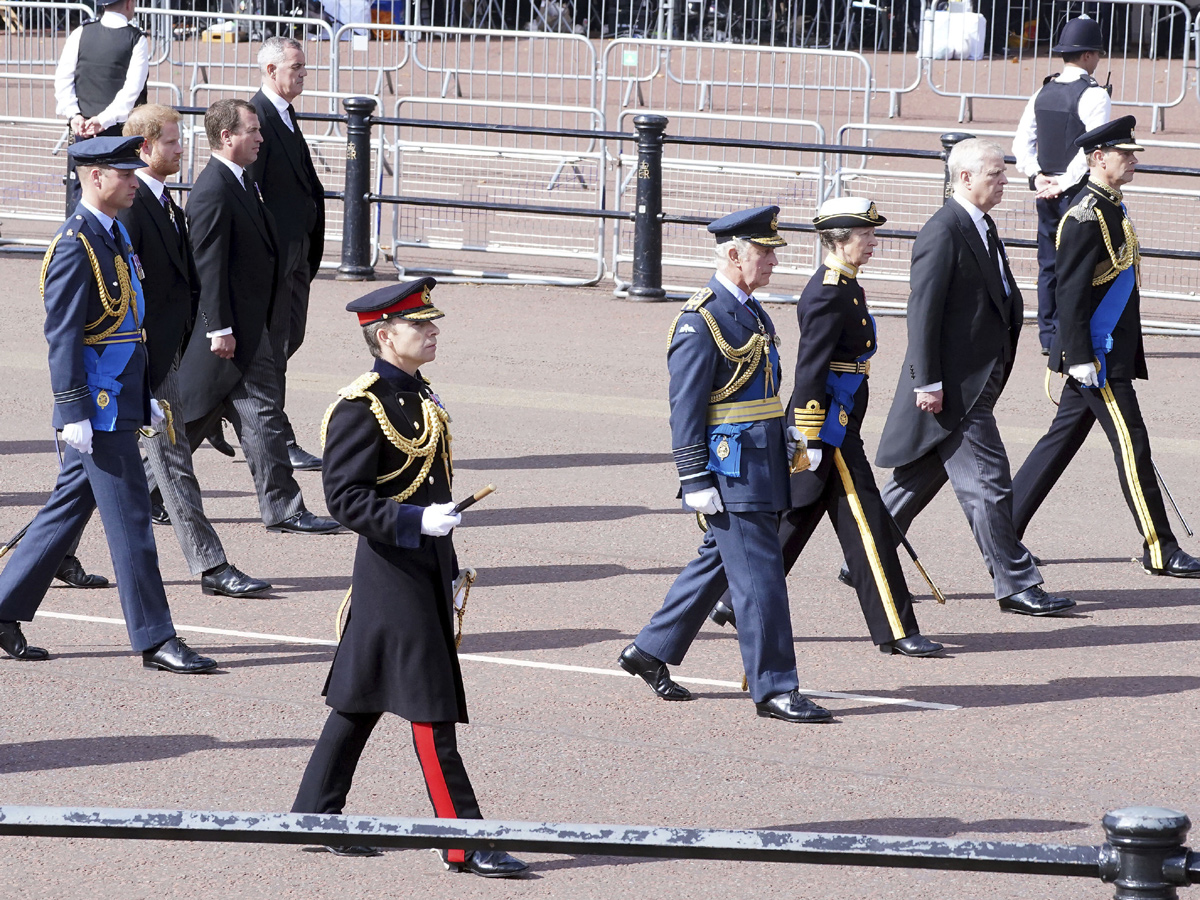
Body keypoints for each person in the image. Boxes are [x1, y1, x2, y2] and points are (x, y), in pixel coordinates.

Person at [291, 278, 529, 878]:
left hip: (420, 564)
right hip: (390, 569)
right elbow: (344, 498)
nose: (432, 331)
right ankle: (463, 841)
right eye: (419, 325)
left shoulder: (421, 395)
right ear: (384, 334)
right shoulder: (358, 405)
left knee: (359, 697)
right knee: (431, 708)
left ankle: (312, 816)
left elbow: (434, 482)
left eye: (431, 322)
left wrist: (443, 558)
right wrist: (415, 518)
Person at [0, 136, 217, 673]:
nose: (133, 181)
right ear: (95, 177)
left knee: (65, 511)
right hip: (95, 409)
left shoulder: (113, 234)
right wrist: (73, 411)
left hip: (118, 398)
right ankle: (155, 638)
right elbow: (65, 337)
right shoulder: (76, 245)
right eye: (124, 173)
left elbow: (128, 329)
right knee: (132, 524)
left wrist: (141, 397)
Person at [617, 206, 831, 724]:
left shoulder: (752, 311)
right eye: (765, 252)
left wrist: (787, 438)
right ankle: (775, 687)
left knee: (718, 562)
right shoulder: (701, 318)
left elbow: (758, 393)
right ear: (734, 255)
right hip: (730, 470)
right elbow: (686, 406)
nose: (774, 261)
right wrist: (692, 476)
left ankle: (649, 650)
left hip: (760, 463)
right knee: (760, 580)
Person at [710, 198, 943, 657]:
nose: (874, 243)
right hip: (827, 424)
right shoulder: (827, 291)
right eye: (866, 236)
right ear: (838, 240)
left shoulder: (846, 285)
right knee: (868, 519)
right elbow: (810, 368)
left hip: (841, 416)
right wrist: (808, 437)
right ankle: (896, 627)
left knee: (799, 513)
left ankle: (733, 599)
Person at [874, 139, 1075, 617]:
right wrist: (927, 381)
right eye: (995, 174)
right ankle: (1015, 582)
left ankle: (863, 554)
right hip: (955, 386)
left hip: (975, 377)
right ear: (965, 178)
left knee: (917, 479)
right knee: (988, 481)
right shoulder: (944, 230)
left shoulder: (978, 224)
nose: (1005, 182)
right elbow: (921, 311)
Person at [1011, 117, 1200, 579]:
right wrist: (1076, 357)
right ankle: (1161, 547)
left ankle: (1000, 532)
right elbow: (1069, 293)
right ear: (1099, 158)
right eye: (1126, 154)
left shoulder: (1109, 206)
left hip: (1103, 351)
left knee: (1056, 446)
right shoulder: (1082, 216)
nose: (1133, 160)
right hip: (1096, 356)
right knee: (1134, 447)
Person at [119, 103, 272, 597]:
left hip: (164, 358)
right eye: (170, 141)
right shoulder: (134, 204)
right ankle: (210, 565)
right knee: (172, 461)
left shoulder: (164, 202)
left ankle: (57, 552)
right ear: (144, 149)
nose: (181, 148)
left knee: (92, 479)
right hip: (138, 363)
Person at [175, 99, 338, 536]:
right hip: (230, 332)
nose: (261, 138)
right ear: (226, 136)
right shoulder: (213, 189)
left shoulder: (242, 181)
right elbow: (207, 265)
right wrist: (220, 328)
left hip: (250, 327)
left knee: (244, 416)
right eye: (253, 130)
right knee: (199, 418)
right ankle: (146, 489)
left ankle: (281, 506)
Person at [247, 36, 326, 473]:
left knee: (288, 339)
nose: (301, 75)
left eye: (303, 68)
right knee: (273, 348)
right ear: (271, 70)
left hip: (297, 253)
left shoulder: (284, 113)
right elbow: (250, 190)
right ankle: (277, 437)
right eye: (295, 67)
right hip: (276, 256)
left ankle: (240, 408)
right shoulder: (256, 116)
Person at [1013, 15, 1111, 355]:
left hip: (1045, 188)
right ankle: (1075, 336)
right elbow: (1091, 148)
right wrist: (1064, 182)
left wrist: (1036, 175)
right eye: (1097, 53)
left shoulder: (1043, 90)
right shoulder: (1095, 95)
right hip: (1076, 191)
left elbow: (1021, 142)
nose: (1098, 59)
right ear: (1087, 56)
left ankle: (1049, 336)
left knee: (1049, 265)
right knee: (1082, 266)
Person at [54, 0, 149, 209]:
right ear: (129, 3)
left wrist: (75, 116)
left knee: (79, 191)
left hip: (81, 130)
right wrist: (103, 120)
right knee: (118, 194)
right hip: (117, 134)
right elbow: (131, 92)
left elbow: (63, 79)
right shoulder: (136, 39)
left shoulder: (81, 32)